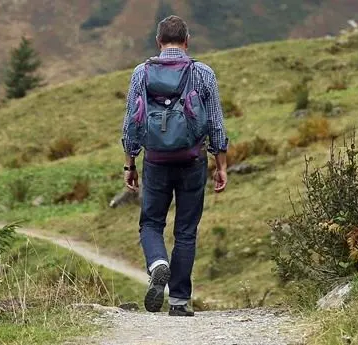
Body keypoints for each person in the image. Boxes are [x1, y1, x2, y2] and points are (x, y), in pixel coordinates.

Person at [121, 15, 228, 317]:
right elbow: (216, 124)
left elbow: (132, 121)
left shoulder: (141, 73)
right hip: (193, 159)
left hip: (155, 159)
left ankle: (158, 263)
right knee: (186, 230)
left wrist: (130, 163)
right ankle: (179, 300)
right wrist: (221, 165)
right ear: (187, 41)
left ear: (158, 42)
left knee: (151, 222)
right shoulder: (203, 73)